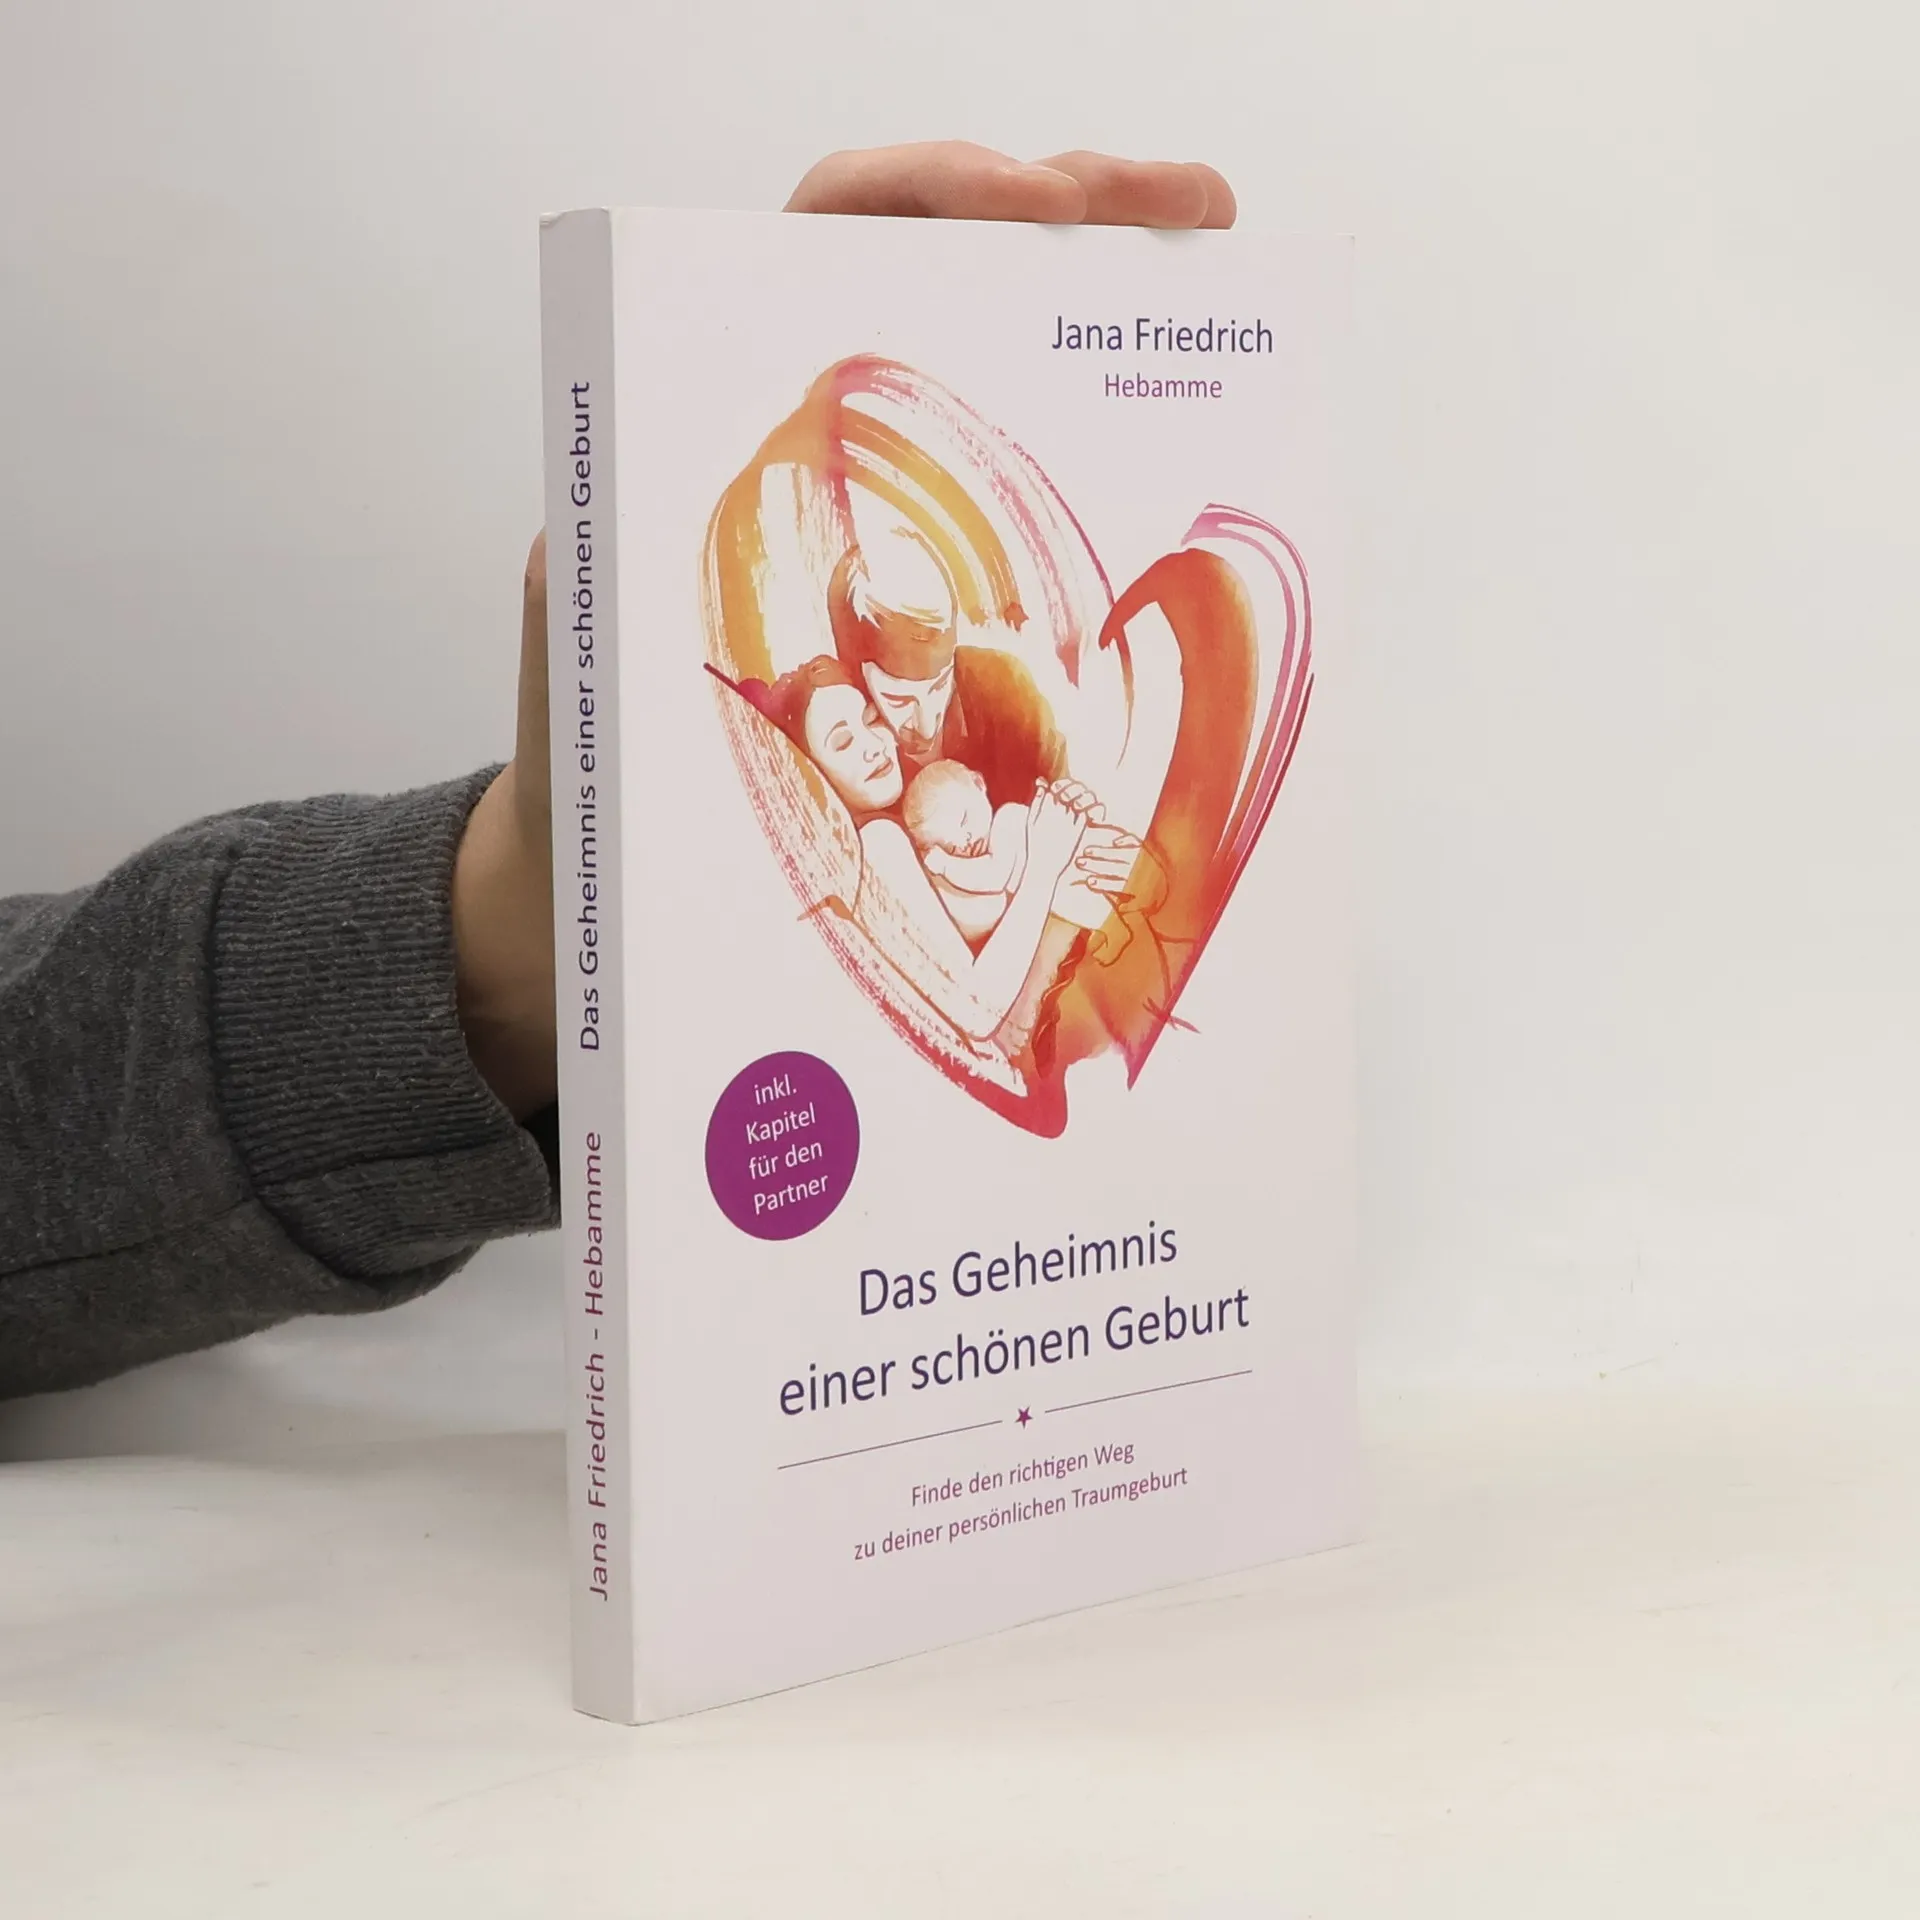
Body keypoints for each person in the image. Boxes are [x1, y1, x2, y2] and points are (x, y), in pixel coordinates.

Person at [0, 142, 1239, 1403]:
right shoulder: (859, 835)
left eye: (915, 695)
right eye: (868, 712)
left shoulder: (1000, 719)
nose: (896, 727)